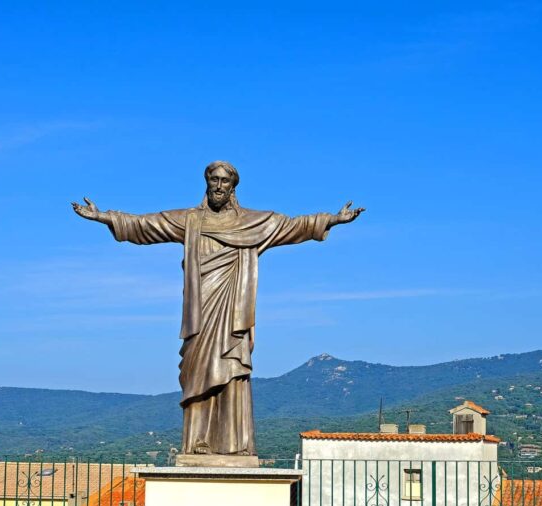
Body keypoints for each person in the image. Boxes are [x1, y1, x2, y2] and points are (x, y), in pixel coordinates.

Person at [72, 161, 364, 458]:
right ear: (207, 183)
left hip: (233, 309)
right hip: (201, 311)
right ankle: (197, 442)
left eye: (225, 181)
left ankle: (234, 444)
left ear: (233, 187)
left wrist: (332, 219)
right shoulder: (190, 220)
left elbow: (293, 226)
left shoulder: (253, 222)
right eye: (214, 179)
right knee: (199, 371)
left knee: (231, 369)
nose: (219, 185)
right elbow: (147, 225)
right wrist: (104, 217)